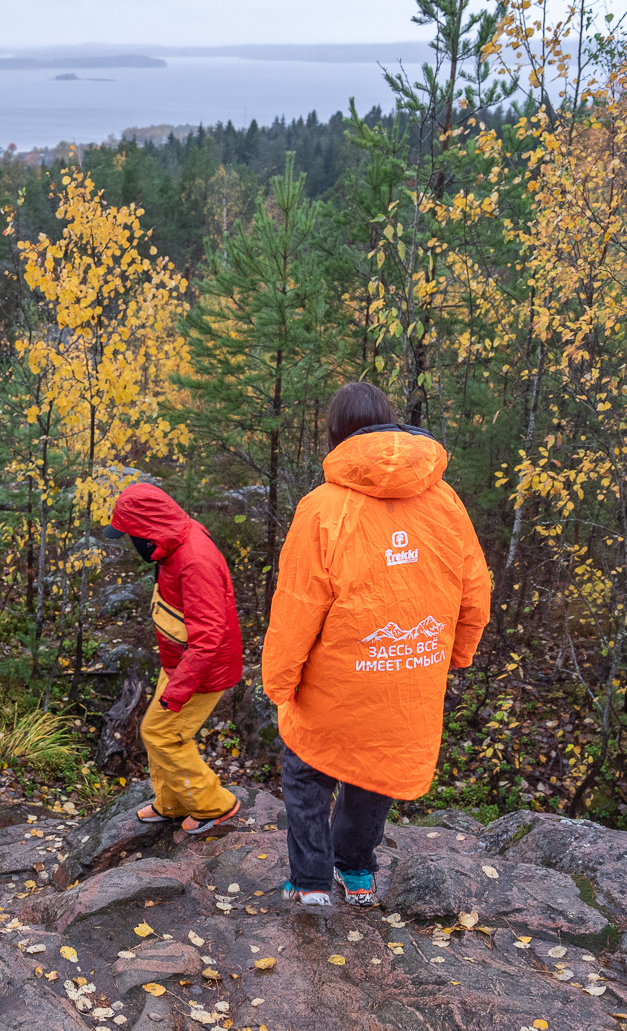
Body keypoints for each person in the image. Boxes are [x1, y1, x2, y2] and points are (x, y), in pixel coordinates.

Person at [261, 381, 491, 907]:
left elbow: (297, 606)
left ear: (335, 435)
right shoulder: (445, 501)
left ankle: (311, 882)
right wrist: (456, 653)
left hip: (336, 683)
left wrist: (279, 681)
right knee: (377, 766)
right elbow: (475, 589)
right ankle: (356, 870)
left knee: (306, 771)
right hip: (412, 674)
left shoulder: (321, 509)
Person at [103, 483, 245, 836]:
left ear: (147, 530)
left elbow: (208, 638)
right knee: (155, 731)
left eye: (131, 535)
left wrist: (177, 691)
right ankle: (173, 803)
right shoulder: (172, 543)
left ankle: (213, 804)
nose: (131, 543)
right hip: (180, 664)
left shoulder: (194, 560)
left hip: (202, 671)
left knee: (162, 734)